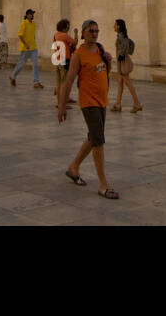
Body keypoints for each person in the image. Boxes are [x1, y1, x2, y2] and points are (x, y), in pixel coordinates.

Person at [57, 20, 118, 199]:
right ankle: (103, 184)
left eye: (97, 30)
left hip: (102, 100)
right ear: (83, 33)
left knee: (93, 137)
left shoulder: (99, 48)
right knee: (98, 140)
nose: (95, 33)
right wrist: (62, 106)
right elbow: (68, 81)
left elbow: (106, 72)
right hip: (88, 102)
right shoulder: (78, 54)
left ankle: (73, 167)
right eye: (91, 30)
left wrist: (109, 60)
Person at [112, 19, 143, 112]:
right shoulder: (121, 36)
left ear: (119, 26)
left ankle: (137, 104)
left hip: (122, 62)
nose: (114, 26)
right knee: (120, 83)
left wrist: (121, 54)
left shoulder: (121, 36)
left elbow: (125, 45)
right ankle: (118, 104)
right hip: (121, 62)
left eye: (115, 25)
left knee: (128, 83)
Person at [10, 9, 43, 89]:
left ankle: (36, 82)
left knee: (35, 64)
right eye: (31, 14)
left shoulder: (34, 24)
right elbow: (20, 35)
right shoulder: (24, 23)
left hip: (33, 48)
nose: (32, 15)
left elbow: (33, 35)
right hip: (25, 48)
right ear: (27, 15)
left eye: (32, 14)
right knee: (21, 64)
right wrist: (26, 44)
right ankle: (13, 76)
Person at [52, 19, 76, 105]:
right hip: (64, 60)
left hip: (57, 60)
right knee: (64, 83)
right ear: (64, 27)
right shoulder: (64, 35)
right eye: (67, 26)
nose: (68, 28)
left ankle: (59, 103)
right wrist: (76, 33)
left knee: (59, 83)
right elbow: (74, 42)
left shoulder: (56, 35)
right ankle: (63, 104)